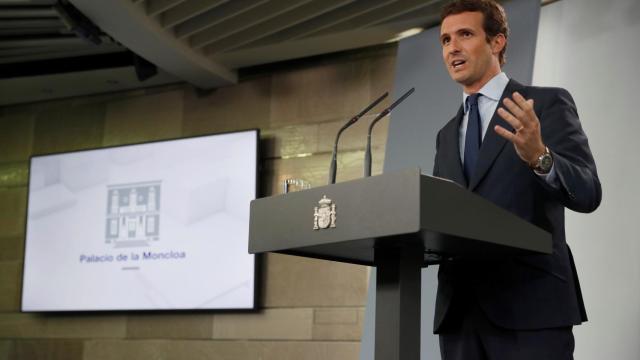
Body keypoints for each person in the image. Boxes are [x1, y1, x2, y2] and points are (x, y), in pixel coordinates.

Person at [432, 0, 602, 359]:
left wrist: (540, 157)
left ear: (497, 42)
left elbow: (588, 192)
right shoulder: (446, 135)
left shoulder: (544, 104)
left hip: (531, 308)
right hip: (460, 315)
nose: (453, 48)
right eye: (446, 39)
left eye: (465, 34)